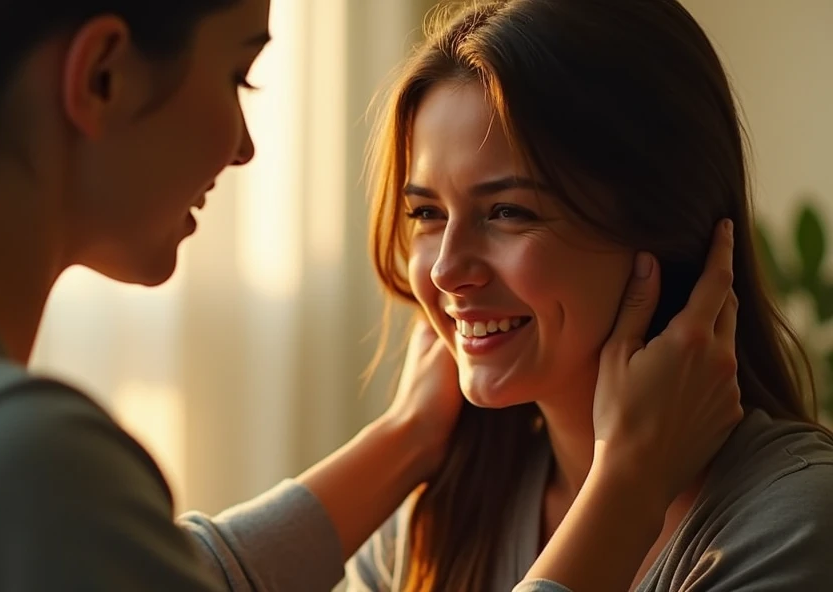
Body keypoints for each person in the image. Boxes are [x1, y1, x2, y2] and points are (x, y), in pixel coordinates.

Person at [0, 0, 739, 591]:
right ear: (102, 76)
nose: (246, 145)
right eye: (237, 71)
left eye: (510, 212)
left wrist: (406, 441)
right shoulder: (6, 460)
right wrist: (625, 488)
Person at [348, 0, 833, 591]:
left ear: (663, 224)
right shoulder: (435, 517)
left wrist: (628, 483)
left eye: (507, 211)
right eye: (426, 212)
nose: (448, 269)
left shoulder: (796, 522)